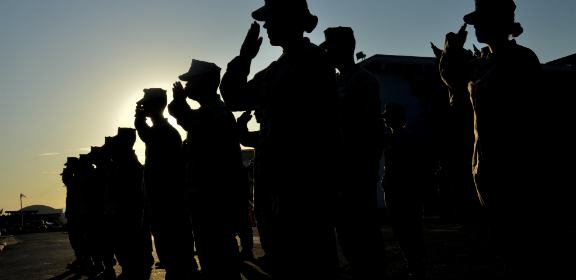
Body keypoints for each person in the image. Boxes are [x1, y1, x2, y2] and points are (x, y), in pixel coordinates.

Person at [438, 1, 576, 278]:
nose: (476, 25)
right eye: (474, 20)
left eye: (482, 19)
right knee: (502, 240)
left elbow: (533, 114)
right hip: (486, 164)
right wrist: (451, 50)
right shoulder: (478, 64)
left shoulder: (522, 59)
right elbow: (451, 77)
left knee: (524, 243)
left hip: (516, 164)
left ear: (502, 23)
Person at [219, 1, 342, 278]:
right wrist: (244, 58)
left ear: (290, 20)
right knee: (285, 261)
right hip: (277, 187)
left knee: (312, 262)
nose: (266, 26)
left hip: (303, 185)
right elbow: (235, 98)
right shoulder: (275, 70)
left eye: (271, 20)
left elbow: (323, 129)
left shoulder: (312, 60)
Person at [319, 26, 388, 279]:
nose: (328, 53)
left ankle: (373, 271)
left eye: (332, 48)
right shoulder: (333, 82)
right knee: (345, 228)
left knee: (364, 228)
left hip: (357, 168)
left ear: (347, 48)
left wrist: (365, 167)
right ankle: (359, 265)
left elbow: (371, 129)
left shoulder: (364, 79)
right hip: (338, 169)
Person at [169, 59, 243, 280]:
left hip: (215, 205)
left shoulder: (217, 114)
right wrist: (180, 102)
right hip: (204, 203)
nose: (187, 85)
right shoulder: (204, 113)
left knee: (221, 264)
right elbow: (184, 119)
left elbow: (224, 166)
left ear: (204, 81)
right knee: (211, 262)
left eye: (191, 80)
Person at [134, 89, 198, 279]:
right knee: (167, 248)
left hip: (168, 201)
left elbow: (169, 173)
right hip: (160, 201)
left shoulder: (165, 132)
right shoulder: (157, 131)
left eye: (147, 103)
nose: (144, 106)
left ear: (156, 104)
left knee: (174, 248)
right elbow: (145, 134)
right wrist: (138, 118)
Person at [381, 103, 425, 279]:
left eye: (389, 116)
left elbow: (415, 167)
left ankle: (416, 265)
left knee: (410, 230)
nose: (386, 119)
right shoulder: (389, 138)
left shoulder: (406, 139)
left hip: (405, 191)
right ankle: (412, 263)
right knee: (401, 230)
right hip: (394, 191)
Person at [108, 128, 151, 279]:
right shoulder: (124, 163)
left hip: (129, 215)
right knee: (123, 245)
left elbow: (133, 197)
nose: (115, 146)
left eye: (117, 142)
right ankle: (129, 269)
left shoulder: (130, 164)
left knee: (129, 246)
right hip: (124, 213)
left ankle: (132, 271)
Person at [62, 157, 91, 271]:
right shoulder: (75, 177)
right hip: (72, 211)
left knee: (80, 238)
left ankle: (85, 259)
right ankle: (80, 258)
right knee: (74, 238)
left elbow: (69, 183)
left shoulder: (79, 178)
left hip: (78, 212)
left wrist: (66, 174)